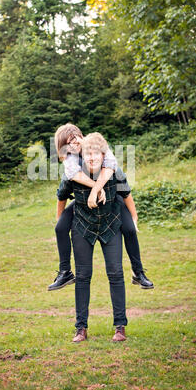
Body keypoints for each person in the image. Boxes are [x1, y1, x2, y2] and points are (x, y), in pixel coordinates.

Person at [48, 123, 153, 291]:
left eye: (74, 139)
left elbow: (123, 186)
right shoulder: (70, 160)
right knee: (60, 228)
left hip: (113, 198)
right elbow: (62, 194)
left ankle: (138, 272)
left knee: (130, 230)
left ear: (81, 136)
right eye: (67, 143)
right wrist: (59, 218)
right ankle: (65, 272)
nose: (73, 145)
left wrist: (134, 217)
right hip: (82, 201)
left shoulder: (97, 147)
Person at [56, 133, 131, 342]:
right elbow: (61, 194)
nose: (90, 156)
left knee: (115, 273)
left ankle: (120, 327)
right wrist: (60, 222)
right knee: (82, 276)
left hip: (110, 224)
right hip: (82, 226)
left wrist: (133, 217)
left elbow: (126, 191)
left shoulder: (109, 164)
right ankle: (80, 328)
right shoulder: (71, 169)